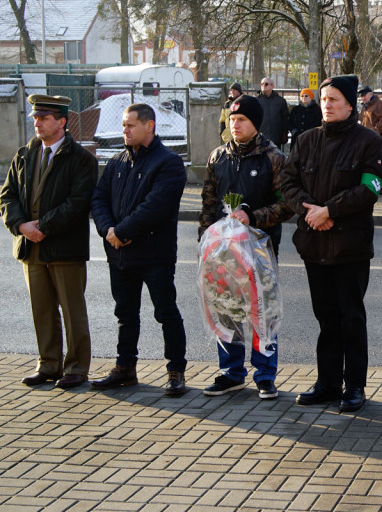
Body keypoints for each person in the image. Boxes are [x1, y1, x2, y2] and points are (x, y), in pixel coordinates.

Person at [280, 75, 382, 411]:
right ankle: (327, 383)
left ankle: (354, 386)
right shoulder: (306, 140)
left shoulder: (368, 141)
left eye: (334, 100)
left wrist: (330, 211)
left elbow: (370, 188)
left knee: (350, 318)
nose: (327, 105)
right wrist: (310, 211)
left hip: (350, 247)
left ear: (350, 105)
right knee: (326, 318)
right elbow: (287, 182)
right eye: (324, 99)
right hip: (314, 245)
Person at [90, 103, 189, 397]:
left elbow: (156, 207)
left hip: (153, 254)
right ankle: (125, 368)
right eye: (123, 125)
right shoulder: (118, 162)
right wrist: (109, 232)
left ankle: (175, 371)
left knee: (166, 312)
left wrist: (121, 232)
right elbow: (99, 199)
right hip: (120, 255)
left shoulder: (168, 162)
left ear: (150, 126)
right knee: (125, 313)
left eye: (130, 125)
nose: (125, 131)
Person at [199, 95, 294, 400]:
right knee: (226, 309)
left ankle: (265, 375)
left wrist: (252, 217)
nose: (235, 124)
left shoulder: (273, 157)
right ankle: (231, 372)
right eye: (231, 119)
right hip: (222, 252)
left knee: (261, 312)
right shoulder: (218, 157)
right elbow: (209, 203)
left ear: (256, 123)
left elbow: (286, 205)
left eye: (242, 120)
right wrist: (205, 242)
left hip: (260, 252)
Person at [1, 95, 98, 389]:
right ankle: (49, 364)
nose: (37, 123)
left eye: (43, 118)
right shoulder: (25, 154)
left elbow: (78, 203)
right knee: (41, 310)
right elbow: (8, 195)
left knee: (72, 310)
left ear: (61, 122)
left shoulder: (81, 158)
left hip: (64, 247)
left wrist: (41, 226)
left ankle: (77, 367)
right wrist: (20, 225)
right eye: (35, 118)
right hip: (31, 246)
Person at [257, 78, 289, 147]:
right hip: (260, 137)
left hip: (276, 137)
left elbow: (285, 118)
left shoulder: (280, 101)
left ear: (272, 86)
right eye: (262, 84)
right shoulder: (256, 101)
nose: (264, 86)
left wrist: (285, 133)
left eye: (266, 84)